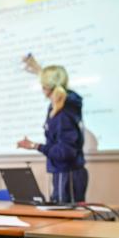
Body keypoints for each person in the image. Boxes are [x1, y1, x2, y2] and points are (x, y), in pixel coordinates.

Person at [17, 54, 88, 203]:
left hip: (67, 174)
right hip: (65, 173)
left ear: (46, 87)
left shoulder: (62, 114)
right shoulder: (64, 105)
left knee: (65, 222)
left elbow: (65, 152)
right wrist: (36, 68)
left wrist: (35, 146)